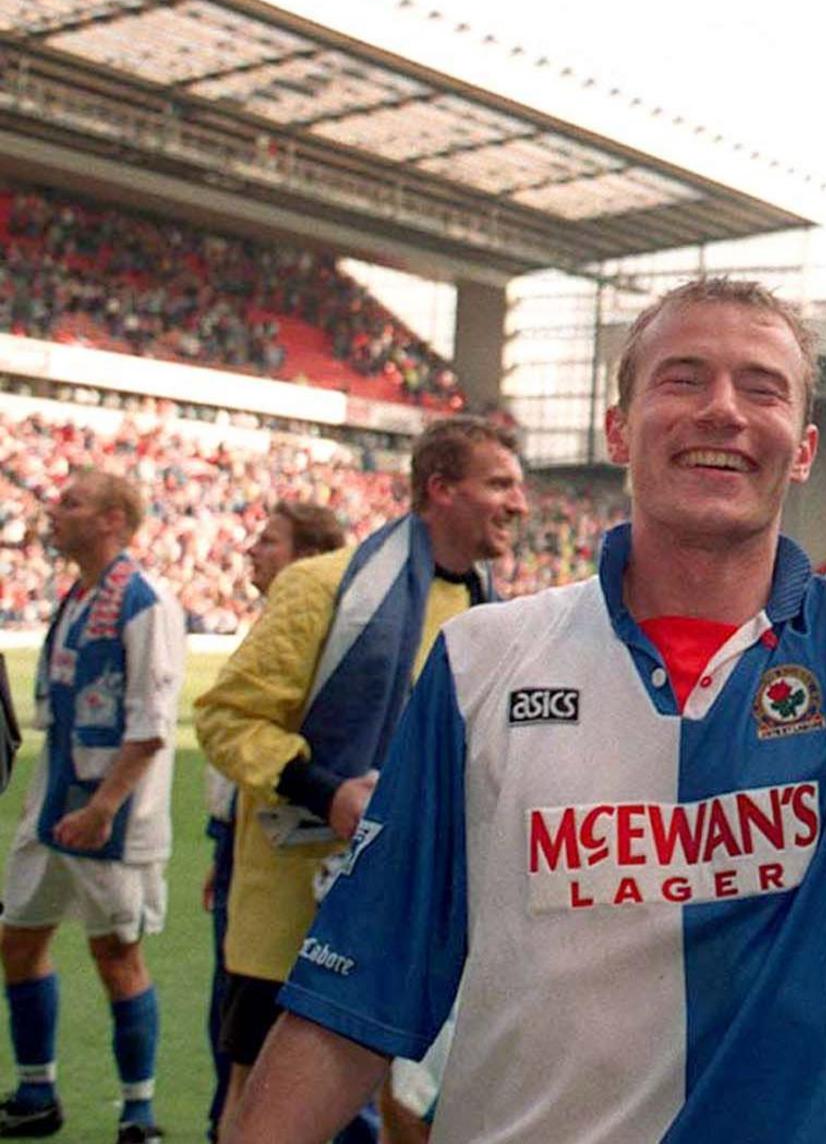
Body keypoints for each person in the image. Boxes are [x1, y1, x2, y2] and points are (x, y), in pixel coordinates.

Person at [226, 277, 826, 1142]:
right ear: (617, 431)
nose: (723, 409)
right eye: (682, 379)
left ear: (803, 448)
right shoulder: (481, 661)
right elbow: (357, 992)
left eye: (762, 388)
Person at [196, 419, 526, 1143]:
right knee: (264, 1101)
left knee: (418, 1094)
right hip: (290, 905)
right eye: (500, 483)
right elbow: (227, 720)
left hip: (418, 905)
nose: (519, 504)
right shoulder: (322, 587)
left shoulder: (495, 616)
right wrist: (329, 792)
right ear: (441, 488)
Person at [0, 468, 186, 1143]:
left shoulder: (142, 603)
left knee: (116, 954)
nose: (56, 511)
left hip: (111, 820)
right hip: (54, 809)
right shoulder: (78, 597)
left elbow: (152, 724)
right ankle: (36, 1091)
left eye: (72, 503)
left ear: (112, 519)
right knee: (18, 940)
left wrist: (104, 808)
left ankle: (139, 1113)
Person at [204, 501, 349, 1142]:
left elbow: (238, 730)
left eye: (269, 540)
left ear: (307, 556)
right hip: (251, 854)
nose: (252, 551)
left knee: (263, 1042)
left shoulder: (323, 621)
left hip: (303, 865)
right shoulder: (280, 625)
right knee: (235, 1025)